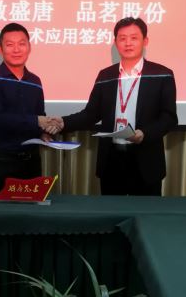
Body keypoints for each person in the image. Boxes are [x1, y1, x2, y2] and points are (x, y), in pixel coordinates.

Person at [56, 17, 178, 196]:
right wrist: (62, 122)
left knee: (146, 212)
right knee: (111, 211)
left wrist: (144, 133)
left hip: (146, 159)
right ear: (115, 42)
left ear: (145, 41)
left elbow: (169, 117)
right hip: (111, 160)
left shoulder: (162, 74)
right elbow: (91, 114)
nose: (128, 43)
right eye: (122, 38)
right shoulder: (106, 75)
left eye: (134, 38)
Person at [0, 23, 59, 193]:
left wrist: (44, 132)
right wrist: (37, 121)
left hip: (32, 164)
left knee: (33, 208)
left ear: (29, 48)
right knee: (2, 208)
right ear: (0, 50)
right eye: (10, 45)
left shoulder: (35, 81)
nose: (16, 50)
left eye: (22, 44)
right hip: (3, 164)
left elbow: (39, 114)